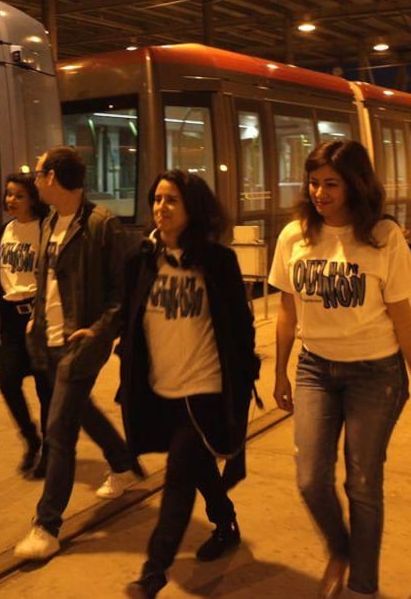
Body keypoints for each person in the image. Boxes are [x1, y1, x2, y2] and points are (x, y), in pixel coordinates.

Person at [268, 139, 411, 598]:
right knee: (310, 478)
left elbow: (402, 317)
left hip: (375, 375)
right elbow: (287, 309)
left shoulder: (384, 237)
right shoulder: (294, 237)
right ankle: (342, 548)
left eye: (332, 184)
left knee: (362, 482)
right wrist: (280, 370)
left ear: (355, 185)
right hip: (314, 370)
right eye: (314, 183)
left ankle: (363, 587)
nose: (320, 193)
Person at [117, 171, 261, 598]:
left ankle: (153, 572)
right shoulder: (140, 261)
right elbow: (127, 316)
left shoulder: (217, 262)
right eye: (157, 199)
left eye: (172, 200)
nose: (161, 208)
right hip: (159, 388)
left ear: (191, 208)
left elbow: (241, 325)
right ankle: (225, 521)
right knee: (197, 466)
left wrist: (244, 376)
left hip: (204, 388)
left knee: (179, 475)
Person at [13, 145, 143, 561]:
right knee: (78, 410)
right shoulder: (51, 220)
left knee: (59, 432)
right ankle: (123, 464)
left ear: (53, 177)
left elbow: (120, 296)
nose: (33, 181)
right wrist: (36, 317)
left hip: (79, 345)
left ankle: (47, 525)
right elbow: (46, 279)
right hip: (47, 339)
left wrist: (97, 332)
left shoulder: (102, 225)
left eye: (37, 174)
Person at [0, 172, 53, 477]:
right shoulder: (6, 230)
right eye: (9, 194)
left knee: (44, 387)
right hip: (10, 318)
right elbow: (1, 275)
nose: (11, 200)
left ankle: (50, 451)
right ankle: (31, 438)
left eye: (19, 195)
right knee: (7, 381)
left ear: (33, 199)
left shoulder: (45, 229)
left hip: (38, 316)